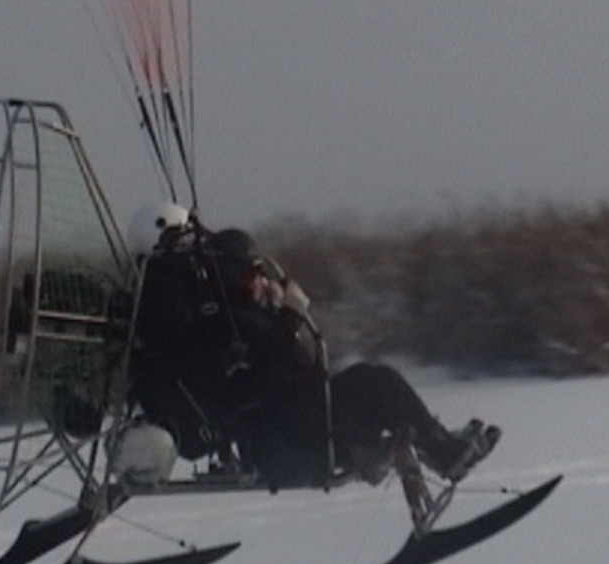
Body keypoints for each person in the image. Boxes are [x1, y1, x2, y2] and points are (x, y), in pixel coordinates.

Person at [127, 203, 499, 489]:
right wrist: (287, 319)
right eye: (252, 275)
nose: (260, 282)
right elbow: (260, 380)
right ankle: (443, 453)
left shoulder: (243, 314)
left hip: (303, 415)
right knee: (380, 383)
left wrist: (280, 314)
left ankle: (437, 447)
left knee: (377, 388)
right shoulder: (231, 321)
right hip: (295, 428)